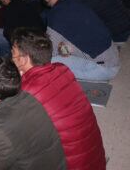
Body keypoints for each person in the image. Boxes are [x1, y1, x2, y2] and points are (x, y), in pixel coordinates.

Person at [10, 28, 106, 170]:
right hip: (95, 162)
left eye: (13, 53)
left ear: (23, 60)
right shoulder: (62, 69)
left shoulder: (26, 90)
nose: (11, 57)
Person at [41, 0, 120, 81]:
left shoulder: (56, 14)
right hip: (112, 58)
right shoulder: (73, 1)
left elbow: (50, 53)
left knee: (46, 64)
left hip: (103, 69)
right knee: (61, 49)